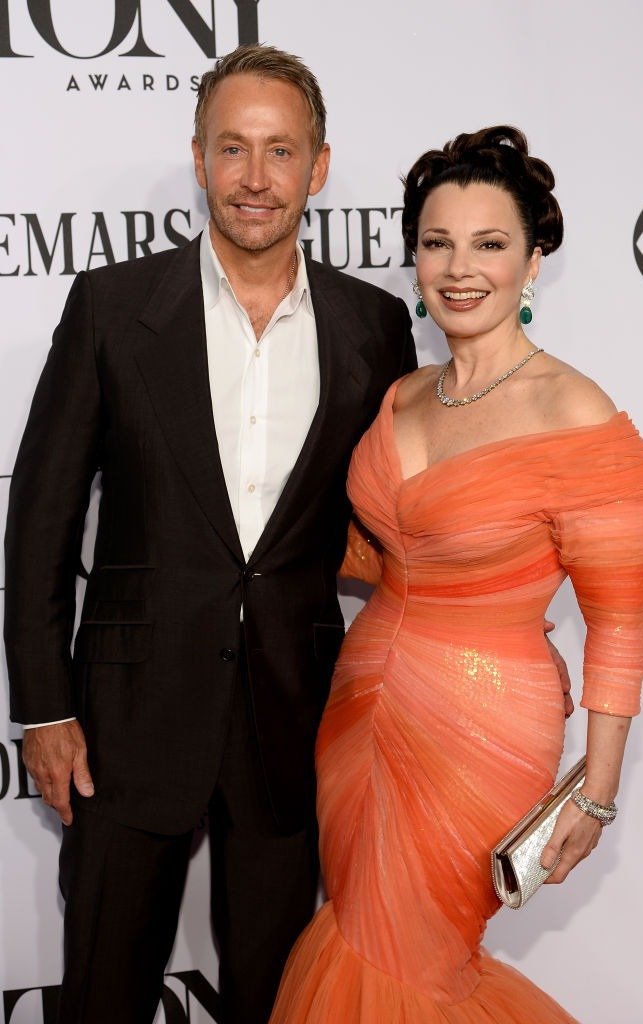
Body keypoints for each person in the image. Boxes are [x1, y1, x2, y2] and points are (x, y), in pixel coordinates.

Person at [3, 45, 419, 1024]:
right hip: (124, 720)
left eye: (281, 152)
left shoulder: (375, 326)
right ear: (198, 159)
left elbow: (406, 525)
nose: (255, 178)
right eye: (233, 148)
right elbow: (43, 523)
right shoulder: (112, 308)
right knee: (103, 991)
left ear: (318, 167)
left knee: (275, 1000)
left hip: (295, 718)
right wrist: (46, 708)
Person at [269, 127, 643, 1023]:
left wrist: (594, 796)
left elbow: (619, 624)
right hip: (359, 705)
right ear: (414, 255)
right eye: (438, 242)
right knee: (362, 934)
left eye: (490, 243)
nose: (460, 267)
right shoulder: (403, 392)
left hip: (481, 730)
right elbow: (378, 546)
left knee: (413, 960)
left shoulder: (576, 413)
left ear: (534, 258)